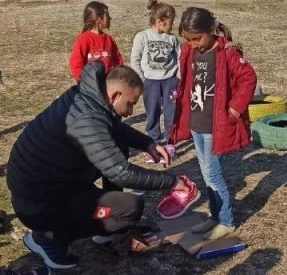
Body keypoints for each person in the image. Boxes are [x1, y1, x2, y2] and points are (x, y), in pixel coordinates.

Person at [6, 61, 191, 270]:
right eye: (130, 103)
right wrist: (171, 181)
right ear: (115, 96)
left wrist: (147, 144)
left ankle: (103, 229)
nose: (130, 112)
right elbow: (120, 172)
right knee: (130, 209)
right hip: (39, 202)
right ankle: (47, 238)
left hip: (54, 181)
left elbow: (114, 128)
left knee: (118, 145)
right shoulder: (87, 117)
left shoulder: (90, 97)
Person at [170, 7, 257, 240]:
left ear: (211, 30)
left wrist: (236, 108)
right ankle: (215, 215)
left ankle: (226, 221)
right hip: (197, 122)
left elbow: (248, 78)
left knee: (212, 174)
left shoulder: (226, 53)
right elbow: (187, 80)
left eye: (197, 38)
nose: (193, 43)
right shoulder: (189, 51)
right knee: (205, 173)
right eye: (187, 39)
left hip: (214, 125)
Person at [130, 0, 180, 156]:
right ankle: (154, 142)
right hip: (150, 82)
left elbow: (179, 58)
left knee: (171, 112)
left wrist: (178, 77)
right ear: (159, 22)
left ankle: (171, 142)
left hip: (170, 81)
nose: (172, 26)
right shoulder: (142, 37)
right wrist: (142, 79)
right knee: (152, 111)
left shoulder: (172, 39)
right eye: (170, 22)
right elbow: (135, 59)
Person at [68, 1, 124, 81]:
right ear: (97, 19)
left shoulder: (109, 39)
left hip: (109, 85)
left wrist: (119, 77)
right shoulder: (83, 39)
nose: (110, 18)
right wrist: (84, 83)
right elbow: (76, 64)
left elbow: (118, 60)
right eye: (107, 16)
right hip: (91, 86)